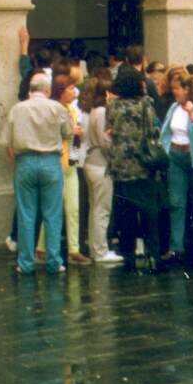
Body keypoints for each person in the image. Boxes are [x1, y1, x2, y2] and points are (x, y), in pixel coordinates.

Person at [1, 72, 73, 276]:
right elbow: (68, 133)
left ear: (30, 90)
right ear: (48, 90)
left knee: (26, 214)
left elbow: (7, 141)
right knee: (52, 214)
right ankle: (54, 261)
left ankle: (25, 262)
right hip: (51, 161)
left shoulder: (17, 109)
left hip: (25, 162)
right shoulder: (57, 108)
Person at [106, 66, 164, 274]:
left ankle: (128, 256)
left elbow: (110, 129)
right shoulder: (145, 105)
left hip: (120, 167)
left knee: (126, 214)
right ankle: (153, 256)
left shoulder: (112, 106)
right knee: (149, 213)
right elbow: (153, 130)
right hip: (142, 165)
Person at [37, 74, 91, 265]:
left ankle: (73, 248)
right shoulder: (54, 110)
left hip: (70, 163)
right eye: (70, 88)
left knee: (73, 208)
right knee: (54, 208)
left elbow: (74, 138)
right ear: (60, 91)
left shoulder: (70, 109)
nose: (73, 92)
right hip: (58, 163)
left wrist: (75, 158)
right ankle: (42, 247)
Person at [160, 69, 193, 264]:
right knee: (176, 202)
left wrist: (192, 115)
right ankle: (176, 246)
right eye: (173, 89)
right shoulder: (173, 107)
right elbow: (166, 131)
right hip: (175, 156)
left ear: (188, 89)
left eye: (178, 89)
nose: (175, 93)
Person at [80, 73, 122, 263]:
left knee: (95, 208)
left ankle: (95, 247)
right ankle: (100, 250)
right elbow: (105, 142)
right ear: (107, 93)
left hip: (91, 162)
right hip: (101, 165)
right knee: (102, 209)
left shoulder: (94, 111)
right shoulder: (103, 112)